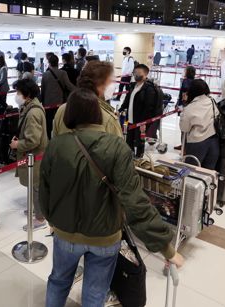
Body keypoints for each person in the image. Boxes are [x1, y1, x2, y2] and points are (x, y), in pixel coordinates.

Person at [41, 90, 184, 307]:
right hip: (105, 236)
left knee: (58, 281)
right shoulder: (117, 147)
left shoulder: (56, 145)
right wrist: (167, 248)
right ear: (97, 114)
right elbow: (136, 201)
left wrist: (53, 220)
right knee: (95, 291)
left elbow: (44, 191)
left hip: (65, 234)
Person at [10, 79, 48, 230]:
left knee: (36, 187)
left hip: (35, 157)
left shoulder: (33, 112)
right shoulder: (31, 107)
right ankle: (36, 211)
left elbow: (33, 140)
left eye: (19, 92)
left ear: (27, 94)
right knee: (33, 186)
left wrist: (17, 144)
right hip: (33, 156)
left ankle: (40, 219)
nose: (17, 95)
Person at [53, 60, 122, 138]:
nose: (114, 85)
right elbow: (118, 148)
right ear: (99, 84)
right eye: (111, 81)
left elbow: (56, 141)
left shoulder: (62, 109)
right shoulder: (108, 119)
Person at [179, 79, 220, 170]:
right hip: (214, 140)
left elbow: (184, 128)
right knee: (208, 172)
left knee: (191, 171)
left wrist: (185, 105)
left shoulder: (190, 107)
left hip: (197, 143)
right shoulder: (211, 101)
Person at [118, 64, 157, 158]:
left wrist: (144, 123)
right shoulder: (133, 86)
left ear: (145, 74)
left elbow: (149, 108)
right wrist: (121, 109)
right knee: (129, 140)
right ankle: (129, 159)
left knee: (139, 142)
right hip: (130, 119)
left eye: (138, 73)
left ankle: (139, 159)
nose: (136, 75)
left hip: (140, 121)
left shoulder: (149, 89)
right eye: (135, 73)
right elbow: (127, 100)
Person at [40, 54, 76, 138]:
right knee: (60, 120)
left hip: (47, 103)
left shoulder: (45, 75)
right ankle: (61, 137)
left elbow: (43, 90)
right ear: (58, 62)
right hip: (60, 102)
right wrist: (79, 90)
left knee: (48, 123)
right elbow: (69, 86)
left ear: (49, 63)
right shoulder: (63, 73)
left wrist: (41, 102)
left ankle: (48, 139)